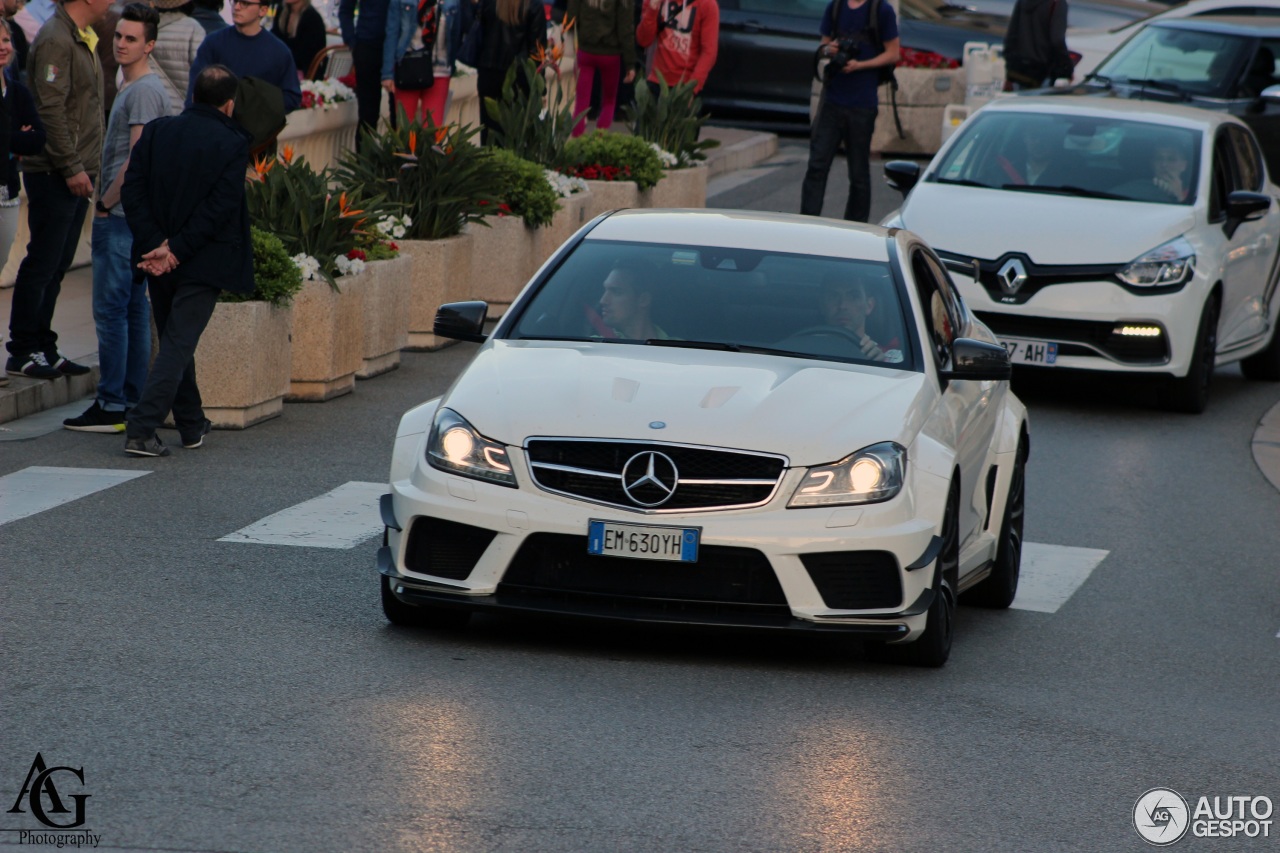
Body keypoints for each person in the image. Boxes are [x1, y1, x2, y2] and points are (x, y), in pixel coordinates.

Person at [120, 64, 254, 456]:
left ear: (193, 96)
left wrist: (155, 243)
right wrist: (175, 249)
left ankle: (192, 424)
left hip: (156, 256)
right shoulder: (231, 142)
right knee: (179, 343)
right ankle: (142, 429)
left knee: (177, 340)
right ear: (229, 105)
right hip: (198, 258)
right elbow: (221, 207)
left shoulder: (158, 131)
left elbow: (133, 188)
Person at [64, 3, 172, 433]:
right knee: (130, 309)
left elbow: (137, 158)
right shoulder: (135, 87)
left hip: (123, 216)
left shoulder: (144, 90)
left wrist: (107, 201)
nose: (122, 44)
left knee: (114, 311)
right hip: (130, 216)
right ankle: (127, 399)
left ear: (150, 45)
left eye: (131, 38)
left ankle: (113, 402)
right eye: (119, 37)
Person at [5, 0, 107, 380]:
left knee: (58, 263)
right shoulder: (55, 38)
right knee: (43, 262)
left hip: (77, 170)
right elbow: (50, 111)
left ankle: (44, 345)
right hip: (56, 172)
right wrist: (72, 166)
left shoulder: (79, 37)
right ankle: (23, 349)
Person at [799, 0, 898, 224]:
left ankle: (855, 226)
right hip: (833, 100)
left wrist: (860, 65)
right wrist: (829, 49)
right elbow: (823, 46)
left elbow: (893, 53)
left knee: (858, 173)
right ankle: (806, 223)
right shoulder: (835, 7)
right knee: (817, 165)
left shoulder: (881, 10)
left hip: (862, 103)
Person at [0, 15, 43, 388]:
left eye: (5, 40)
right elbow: (18, 138)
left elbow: (36, 139)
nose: (2, 46)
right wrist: (14, 136)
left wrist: (10, 138)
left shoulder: (17, 90)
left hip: (7, 196)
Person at [186, 0, 301, 112]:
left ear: (263, 10)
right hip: (215, 125)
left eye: (245, 3)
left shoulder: (279, 51)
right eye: (235, 1)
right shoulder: (213, 42)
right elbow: (195, 87)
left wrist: (258, 110)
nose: (237, 7)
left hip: (256, 128)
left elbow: (291, 96)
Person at [472, 0, 547, 144]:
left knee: (490, 134)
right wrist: (540, 88)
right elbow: (538, 51)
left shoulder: (489, 4)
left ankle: (490, 165)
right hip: (521, 77)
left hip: (490, 72)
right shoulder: (534, 6)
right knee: (517, 137)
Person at [566, 0, 634, 137]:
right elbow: (625, 28)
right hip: (611, 55)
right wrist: (630, 63)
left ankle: (577, 146)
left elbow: (572, 14)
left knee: (581, 104)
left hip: (585, 51)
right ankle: (598, 143)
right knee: (609, 101)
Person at [381, 0, 446, 124]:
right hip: (408, 66)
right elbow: (391, 34)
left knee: (433, 134)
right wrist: (387, 73)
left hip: (439, 68)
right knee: (405, 132)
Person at [635, 0, 717, 97]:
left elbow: (709, 52)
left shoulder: (707, 4)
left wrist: (692, 89)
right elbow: (643, 41)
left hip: (686, 85)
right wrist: (652, 8)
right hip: (656, 82)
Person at [819, 273, 901, 363]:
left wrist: (882, 364)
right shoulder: (806, 348)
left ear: (869, 306)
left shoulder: (894, 359)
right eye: (833, 296)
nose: (842, 305)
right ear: (822, 306)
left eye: (854, 296)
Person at [339, 0, 392, 139]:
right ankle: (365, 159)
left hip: (396, 48)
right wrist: (352, 42)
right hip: (367, 46)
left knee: (399, 112)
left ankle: (398, 158)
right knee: (368, 114)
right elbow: (345, 10)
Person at [150, 0, 205, 114]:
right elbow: (201, 75)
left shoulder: (146, 28)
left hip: (150, 105)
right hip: (180, 111)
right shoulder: (193, 28)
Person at [1003, 0, 1072, 90]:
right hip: (1043, 72)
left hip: (1018, 72)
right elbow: (1057, 40)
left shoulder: (1022, 2)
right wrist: (1067, 69)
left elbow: (1011, 37)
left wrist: (1010, 68)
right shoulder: (1056, 3)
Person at [597, 259, 667, 340]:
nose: (603, 301)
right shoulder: (592, 345)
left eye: (616, 292)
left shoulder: (679, 349)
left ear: (644, 299)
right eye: (605, 290)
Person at [273, 0, 326, 80]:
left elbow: (306, 57)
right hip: (281, 67)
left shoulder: (312, 18)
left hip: (304, 74)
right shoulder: (281, 10)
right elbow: (274, 40)